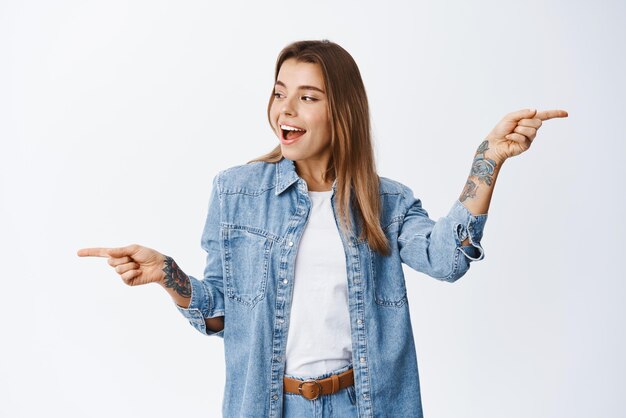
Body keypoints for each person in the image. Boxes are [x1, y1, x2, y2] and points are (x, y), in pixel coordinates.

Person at [77, 39, 568, 417]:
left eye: (307, 97)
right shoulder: (235, 191)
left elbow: (448, 260)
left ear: (341, 111)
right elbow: (220, 316)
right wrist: (168, 274)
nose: (285, 109)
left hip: (364, 403)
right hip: (271, 405)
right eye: (279, 93)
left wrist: (487, 161)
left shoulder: (385, 200)